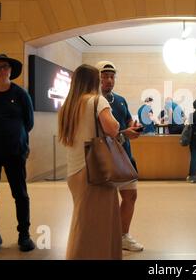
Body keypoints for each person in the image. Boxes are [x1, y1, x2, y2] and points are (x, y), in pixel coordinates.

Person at [59, 64, 122, 259]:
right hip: (95, 170)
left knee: (83, 221)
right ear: (94, 81)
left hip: (74, 172)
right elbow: (112, 128)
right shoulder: (97, 101)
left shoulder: (67, 106)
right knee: (99, 224)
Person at [0, 54, 35, 254]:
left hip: (15, 152)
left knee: (20, 195)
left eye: (5, 67)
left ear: (10, 70)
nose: (1, 70)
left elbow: (29, 123)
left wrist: (16, 138)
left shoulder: (20, 94)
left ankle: (24, 235)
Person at [97, 61, 144, 252]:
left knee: (130, 196)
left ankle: (123, 235)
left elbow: (126, 121)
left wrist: (133, 125)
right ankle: (104, 237)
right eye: (105, 76)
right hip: (103, 159)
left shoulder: (121, 100)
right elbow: (101, 132)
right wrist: (124, 132)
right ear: (97, 78)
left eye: (112, 76)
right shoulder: (93, 101)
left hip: (125, 157)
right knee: (106, 202)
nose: (109, 80)